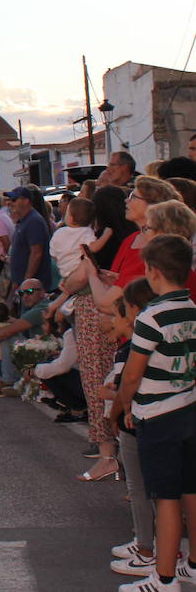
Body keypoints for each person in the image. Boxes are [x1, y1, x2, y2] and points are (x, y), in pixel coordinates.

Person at [115, 235, 196, 592]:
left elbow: (132, 374)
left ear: (153, 271)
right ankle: (192, 564)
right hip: (190, 409)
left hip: (158, 415)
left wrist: (122, 407)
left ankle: (163, 578)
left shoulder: (150, 316)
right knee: (192, 492)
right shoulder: (193, 308)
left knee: (165, 498)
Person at [108, 283, 158, 579]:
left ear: (134, 310)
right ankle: (145, 542)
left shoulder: (137, 341)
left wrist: (119, 411)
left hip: (138, 418)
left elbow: (129, 380)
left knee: (140, 488)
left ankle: (147, 549)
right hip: (162, 416)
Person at [4, 186, 53, 298]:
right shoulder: (25, 220)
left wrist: (26, 283)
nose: (10, 203)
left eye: (14, 200)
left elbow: (37, 253)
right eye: (10, 200)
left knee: (27, 314)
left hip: (32, 288)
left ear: (26, 201)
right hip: (23, 285)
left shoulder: (34, 221)